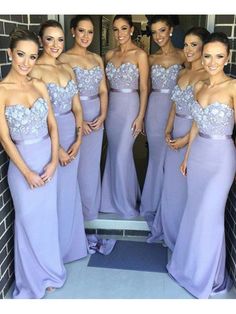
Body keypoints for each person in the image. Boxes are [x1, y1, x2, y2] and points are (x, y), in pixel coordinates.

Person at [167, 32, 236, 298]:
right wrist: (186, 158)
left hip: (221, 158)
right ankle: (190, 268)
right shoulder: (199, 87)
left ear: (227, 57)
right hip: (198, 156)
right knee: (195, 212)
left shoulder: (232, 87)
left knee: (210, 215)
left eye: (219, 56)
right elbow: (196, 125)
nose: (211, 61)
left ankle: (209, 276)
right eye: (207, 55)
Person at [0, 28, 66, 298]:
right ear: (10, 54)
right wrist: (26, 172)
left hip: (47, 160)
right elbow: (4, 139)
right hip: (22, 165)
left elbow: (52, 125)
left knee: (47, 220)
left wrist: (53, 161)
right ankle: (31, 279)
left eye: (32, 56)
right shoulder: (1, 91)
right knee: (27, 222)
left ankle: (50, 271)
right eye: (20, 55)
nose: (26, 62)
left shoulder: (39, 85)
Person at [30, 20, 88, 263]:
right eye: (50, 39)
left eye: (60, 39)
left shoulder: (67, 69)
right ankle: (55, 252)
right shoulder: (34, 71)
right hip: (52, 141)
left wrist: (78, 137)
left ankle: (71, 247)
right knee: (54, 195)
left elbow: (77, 106)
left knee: (69, 191)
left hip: (71, 135)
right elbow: (40, 115)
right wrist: (59, 150)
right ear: (41, 41)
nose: (55, 44)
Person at [153, 27, 210, 249]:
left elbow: (201, 115)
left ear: (204, 47)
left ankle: (183, 240)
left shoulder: (207, 76)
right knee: (171, 185)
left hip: (192, 135)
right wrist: (167, 130)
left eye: (193, 45)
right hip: (175, 131)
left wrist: (186, 139)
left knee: (185, 186)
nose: (187, 49)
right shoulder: (182, 73)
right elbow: (173, 106)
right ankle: (169, 230)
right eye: (186, 44)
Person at [59, 15, 108, 220]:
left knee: (91, 169)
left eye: (90, 32)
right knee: (76, 170)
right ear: (72, 32)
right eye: (81, 31)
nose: (86, 36)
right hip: (75, 121)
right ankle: (76, 219)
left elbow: (104, 90)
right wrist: (80, 122)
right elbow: (62, 96)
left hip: (97, 120)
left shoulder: (97, 58)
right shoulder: (63, 59)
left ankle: (90, 214)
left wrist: (103, 115)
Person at [100, 15, 149, 218]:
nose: (119, 33)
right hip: (113, 108)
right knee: (115, 154)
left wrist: (140, 117)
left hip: (130, 106)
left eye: (123, 28)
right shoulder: (109, 55)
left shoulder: (140, 55)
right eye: (115, 29)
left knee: (122, 153)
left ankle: (126, 204)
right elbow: (105, 87)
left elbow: (145, 88)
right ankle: (111, 201)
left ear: (131, 30)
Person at [140, 15, 185, 232]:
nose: (158, 36)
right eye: (155, 32)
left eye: (162, 31)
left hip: (176, 110)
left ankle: (171, 207)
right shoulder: (150, 58)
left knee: (173, 161)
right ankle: (153, 204)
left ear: (171, 31)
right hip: (156, 110)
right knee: (157, 159)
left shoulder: (184, 55)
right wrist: (142, 116)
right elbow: (146, 89)